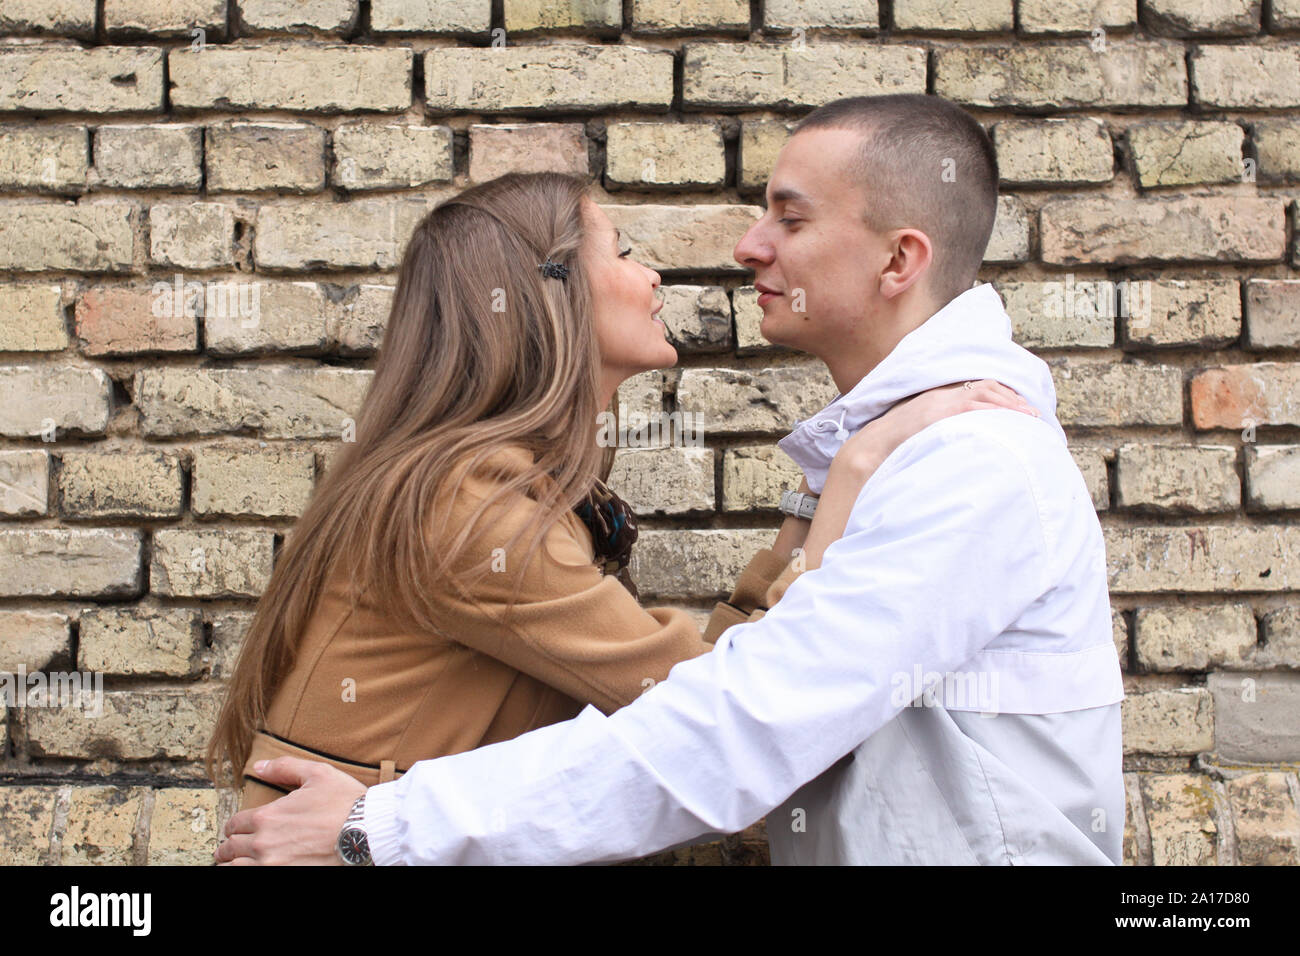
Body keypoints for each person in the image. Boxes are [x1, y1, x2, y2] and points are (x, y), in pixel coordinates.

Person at [215, 93, 1123, 866]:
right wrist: (833, 490)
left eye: (790, 218)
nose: (742, 248)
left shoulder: (971, 458)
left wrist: (827, 493)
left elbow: (733, 721)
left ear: (899, 260)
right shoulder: (475, 497)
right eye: (626, 249)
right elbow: (716, 713)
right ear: (549, 298)